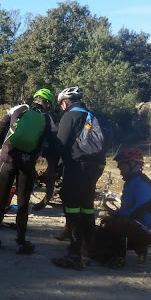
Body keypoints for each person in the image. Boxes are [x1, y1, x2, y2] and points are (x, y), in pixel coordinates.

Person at [0, 88, 58, 254]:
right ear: (47, 104)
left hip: (8, 159)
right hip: (27, 163)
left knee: (1, 200)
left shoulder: (18, 109)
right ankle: (20, 242)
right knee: (22, 204)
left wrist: (2, 147)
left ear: (35, 99)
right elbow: (53, 144)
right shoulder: (48, 119)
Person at [51, 86, 105, 270]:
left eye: (61, 105)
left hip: (75, 167)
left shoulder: (69, 116)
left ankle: (74, 255)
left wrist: (53, 164)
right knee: (87, 208)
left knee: (72, 209)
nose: (61, 108)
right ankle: (89, 249)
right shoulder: (92, 116)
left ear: (65, 103)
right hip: (93, 169)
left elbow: (60, 145)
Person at [91, 148, 151, 268]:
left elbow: (137, 210)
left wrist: (115, 218)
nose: (119, 168)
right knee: (102, 230)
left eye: (121, 165)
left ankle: (119, 258)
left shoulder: (142, 183)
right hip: (137, 224)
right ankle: (133, 250)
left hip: (150, 230)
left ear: (133, 165)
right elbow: (127, 208)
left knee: (119, 222)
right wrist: (112, 216)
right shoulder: (130, 182)